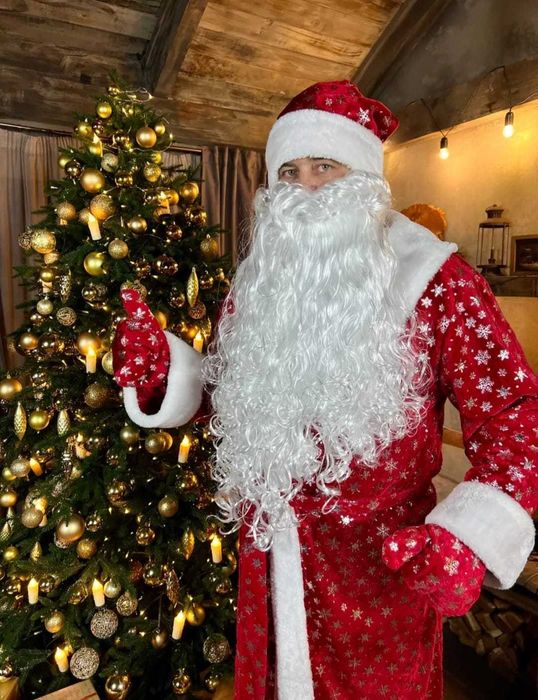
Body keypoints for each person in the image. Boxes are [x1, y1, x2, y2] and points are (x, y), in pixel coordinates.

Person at [113, 81, 538, 700]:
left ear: (364, 177)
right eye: (289, 172)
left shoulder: (439, 283)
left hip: (380, 583)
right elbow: (234, 394)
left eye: (325, 166)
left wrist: (469, 536)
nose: (305, 187)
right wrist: (168, 375)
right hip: (269, 570)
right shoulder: (260, 282)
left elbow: (514, 416)